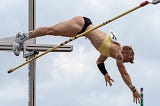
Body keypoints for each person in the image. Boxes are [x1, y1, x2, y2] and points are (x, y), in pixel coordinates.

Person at [13, 16, 141, 103]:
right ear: (124, 52)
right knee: (51, 30)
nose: (124, 62)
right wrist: (133, 89)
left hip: (83, 28)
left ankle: (24, 36)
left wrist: (105, 74)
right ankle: (23, 37)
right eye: (126, 59)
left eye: (127, 62)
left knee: (53, 31)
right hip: (82, 25)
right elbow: (123, 72)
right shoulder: (117, 51)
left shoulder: (109, 53)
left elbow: (99, 62)